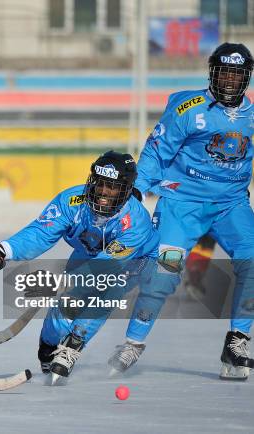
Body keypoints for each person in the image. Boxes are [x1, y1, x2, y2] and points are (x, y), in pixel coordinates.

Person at [108, 42, 254, 380]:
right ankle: (133, 343)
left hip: (230, 205)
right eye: (224, 73)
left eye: (237, 74)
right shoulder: (189, 108)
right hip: (181, 204)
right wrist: (137, 192)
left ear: (246, 78)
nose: (230, 81)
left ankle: (238, 340)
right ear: (212, 73)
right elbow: (156, 153)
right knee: (163, 273)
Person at [0, 151, 159, 382]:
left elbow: (107, 267)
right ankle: (49, 345)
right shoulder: (71, 201)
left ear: (125, 190)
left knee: (106, 290)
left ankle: (74, 344)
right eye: (100, 184)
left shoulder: (136, 221)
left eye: (112, 187)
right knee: (66, 307)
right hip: (88, 254)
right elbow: (41, 233)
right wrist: (4, 249)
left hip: (136, 260)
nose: (103, 192)